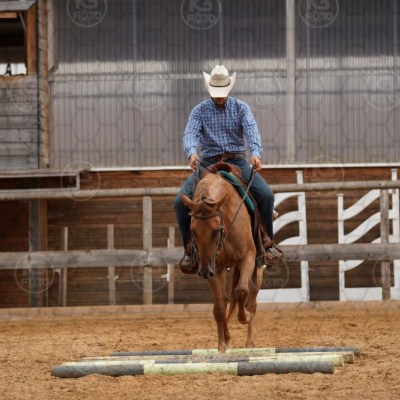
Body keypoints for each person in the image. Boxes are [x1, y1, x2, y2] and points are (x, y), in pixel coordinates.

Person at [174, 65, 283, 274]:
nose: (219, 96)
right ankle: (190, 250)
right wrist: (192, 153)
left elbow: (252, 131)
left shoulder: (241, 108)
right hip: (207, 163)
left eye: (222, 92)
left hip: (237, 161)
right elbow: (190, 133)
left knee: (266, 195)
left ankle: (267, 242)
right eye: (216, 92)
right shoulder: (199, 111)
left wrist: (256, 153)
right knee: (180, 202)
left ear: (229, 88)